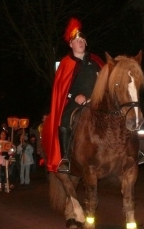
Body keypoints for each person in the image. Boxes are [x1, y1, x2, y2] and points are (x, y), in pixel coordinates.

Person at [41, 17, 105, 173]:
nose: (80, 42)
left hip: (97, 100)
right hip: (76, 101)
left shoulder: (96, 61)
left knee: (121, 111)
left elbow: (105, 81)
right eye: (77, 40)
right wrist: (74, 96)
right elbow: (61, 88)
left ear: (86, 43)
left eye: (82, 39)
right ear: (71, 44)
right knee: (64, 121)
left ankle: (130, 151)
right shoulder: (65, 63)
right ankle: (65, 159)